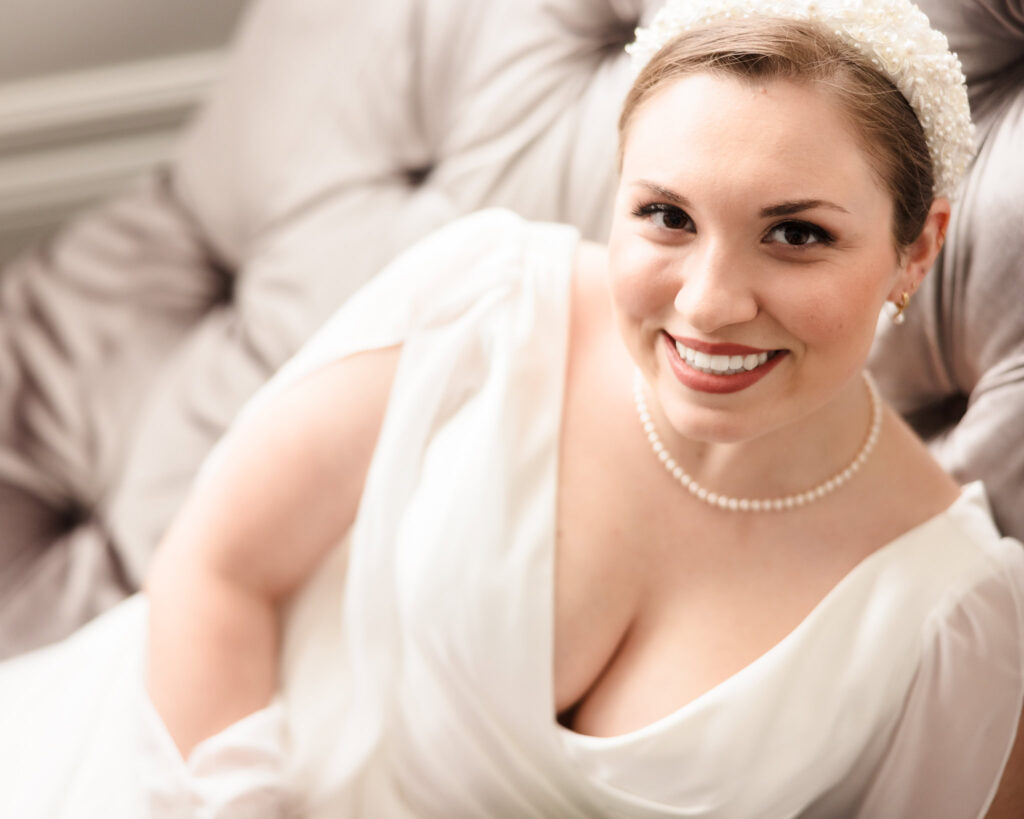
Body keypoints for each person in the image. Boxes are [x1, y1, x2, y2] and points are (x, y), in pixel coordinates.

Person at [1, 0, 1023, 816]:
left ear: (915, 248)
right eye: (664, 216)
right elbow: (219, 570)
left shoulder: (957, 626)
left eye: (795, 235)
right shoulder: (482, 300)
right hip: (155, 768)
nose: (709, 301)